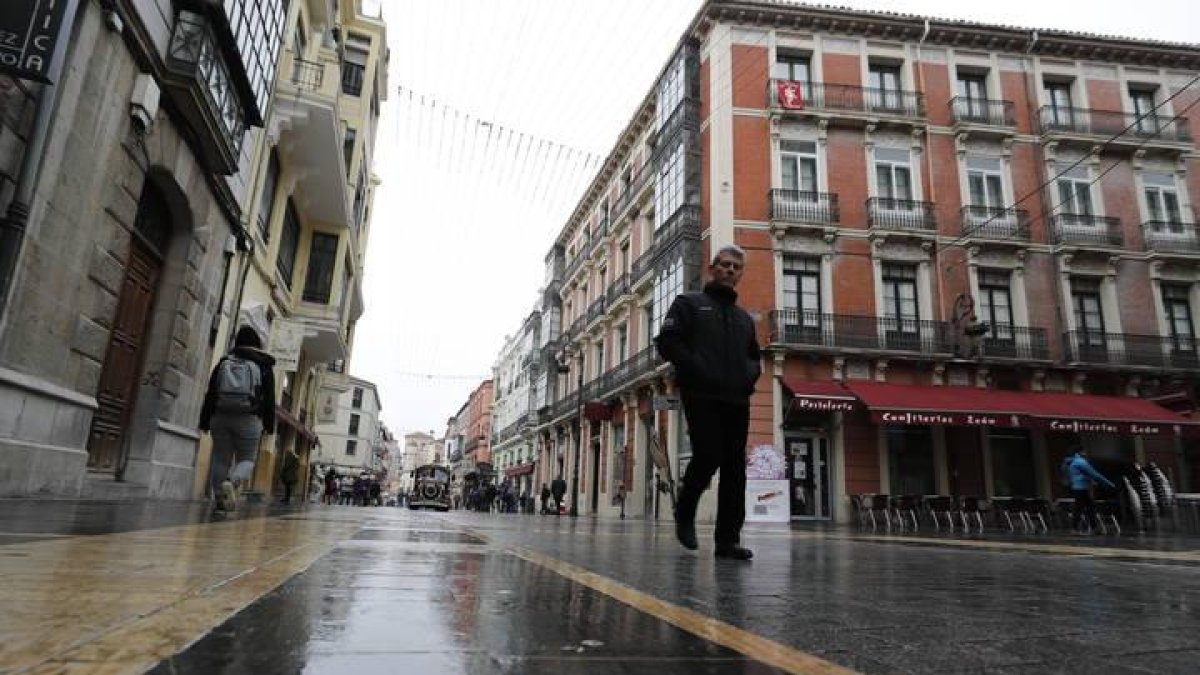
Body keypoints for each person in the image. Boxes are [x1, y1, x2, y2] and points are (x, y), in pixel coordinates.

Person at [656, 245, 761, 561]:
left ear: (740, 274)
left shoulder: (744, 319)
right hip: (701, 394)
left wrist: (748, 377)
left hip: (737, 398)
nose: (730, 270)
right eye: (725, 264)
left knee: (734, 469)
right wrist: (695, 369)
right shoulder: (689, 304)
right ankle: (685, 511)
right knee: (709, 454)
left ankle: (727, 541)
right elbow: (667, 341)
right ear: (713, 268)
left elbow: (754, 357)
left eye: (736, 267)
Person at [199, 325, 277, 512]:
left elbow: (211, 393)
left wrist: (204, 420)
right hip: (249, 418)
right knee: (247, 459)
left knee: (220, 459)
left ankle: (219, 499)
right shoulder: (263, 365)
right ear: (256, 343)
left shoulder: (224, 362)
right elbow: (270, 398)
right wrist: (268, 424)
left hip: (220, 416)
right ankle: (231, 483)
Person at [1062, 447, 1116, 533]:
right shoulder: (1080, 462)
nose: (1086, 454)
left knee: (1086, 507)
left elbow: (1074, 474)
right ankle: (1078, 527)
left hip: (1075, 488)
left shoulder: (1069, 462)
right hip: (1081, 488)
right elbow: (1094, 474)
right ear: (1080, 452)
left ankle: (1089, 527)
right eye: (1084, 452)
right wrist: (1109, 483)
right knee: (1083, 508)